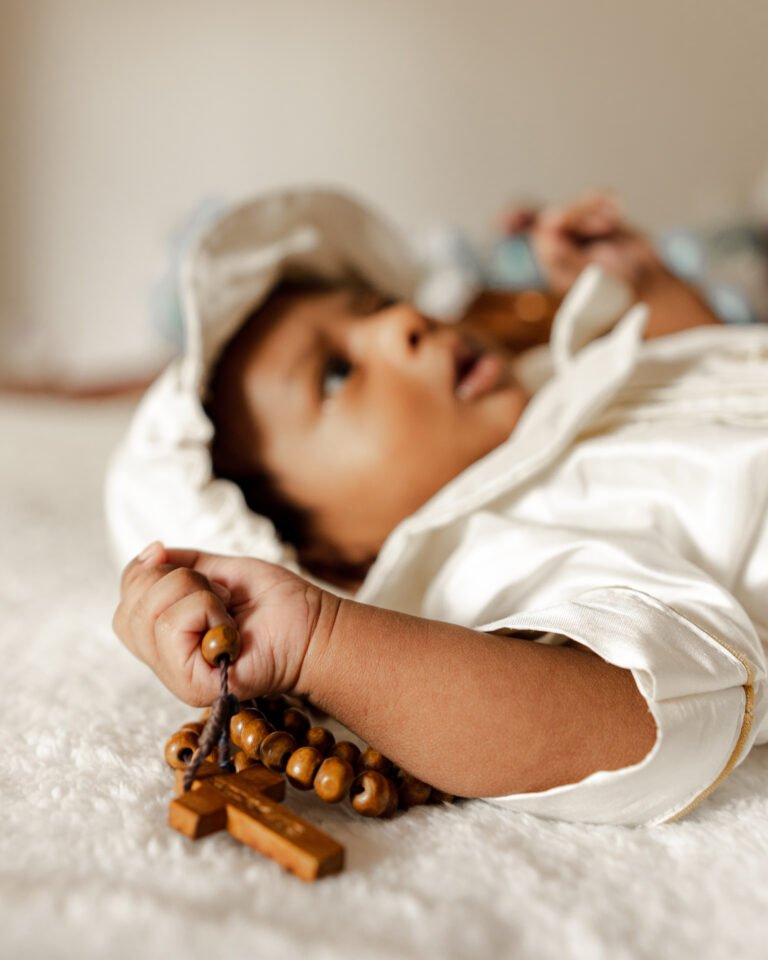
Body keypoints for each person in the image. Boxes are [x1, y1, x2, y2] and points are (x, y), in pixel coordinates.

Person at [109, 187, 768, 825]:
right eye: (336, 373)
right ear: (325, 557)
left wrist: (650, 289)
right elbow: (658, 709)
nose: (404, 323)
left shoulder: (550, 378)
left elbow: (711, 372)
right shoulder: (472, 554)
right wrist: (322, 640)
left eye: (380, 304)